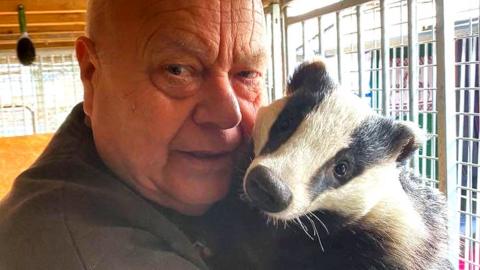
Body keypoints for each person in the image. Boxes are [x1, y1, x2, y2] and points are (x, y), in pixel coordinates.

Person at [0, 0, 278, 269]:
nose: (228, 115)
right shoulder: (74, 251)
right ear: (91, 75)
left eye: (246, 74)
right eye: (177, 70)